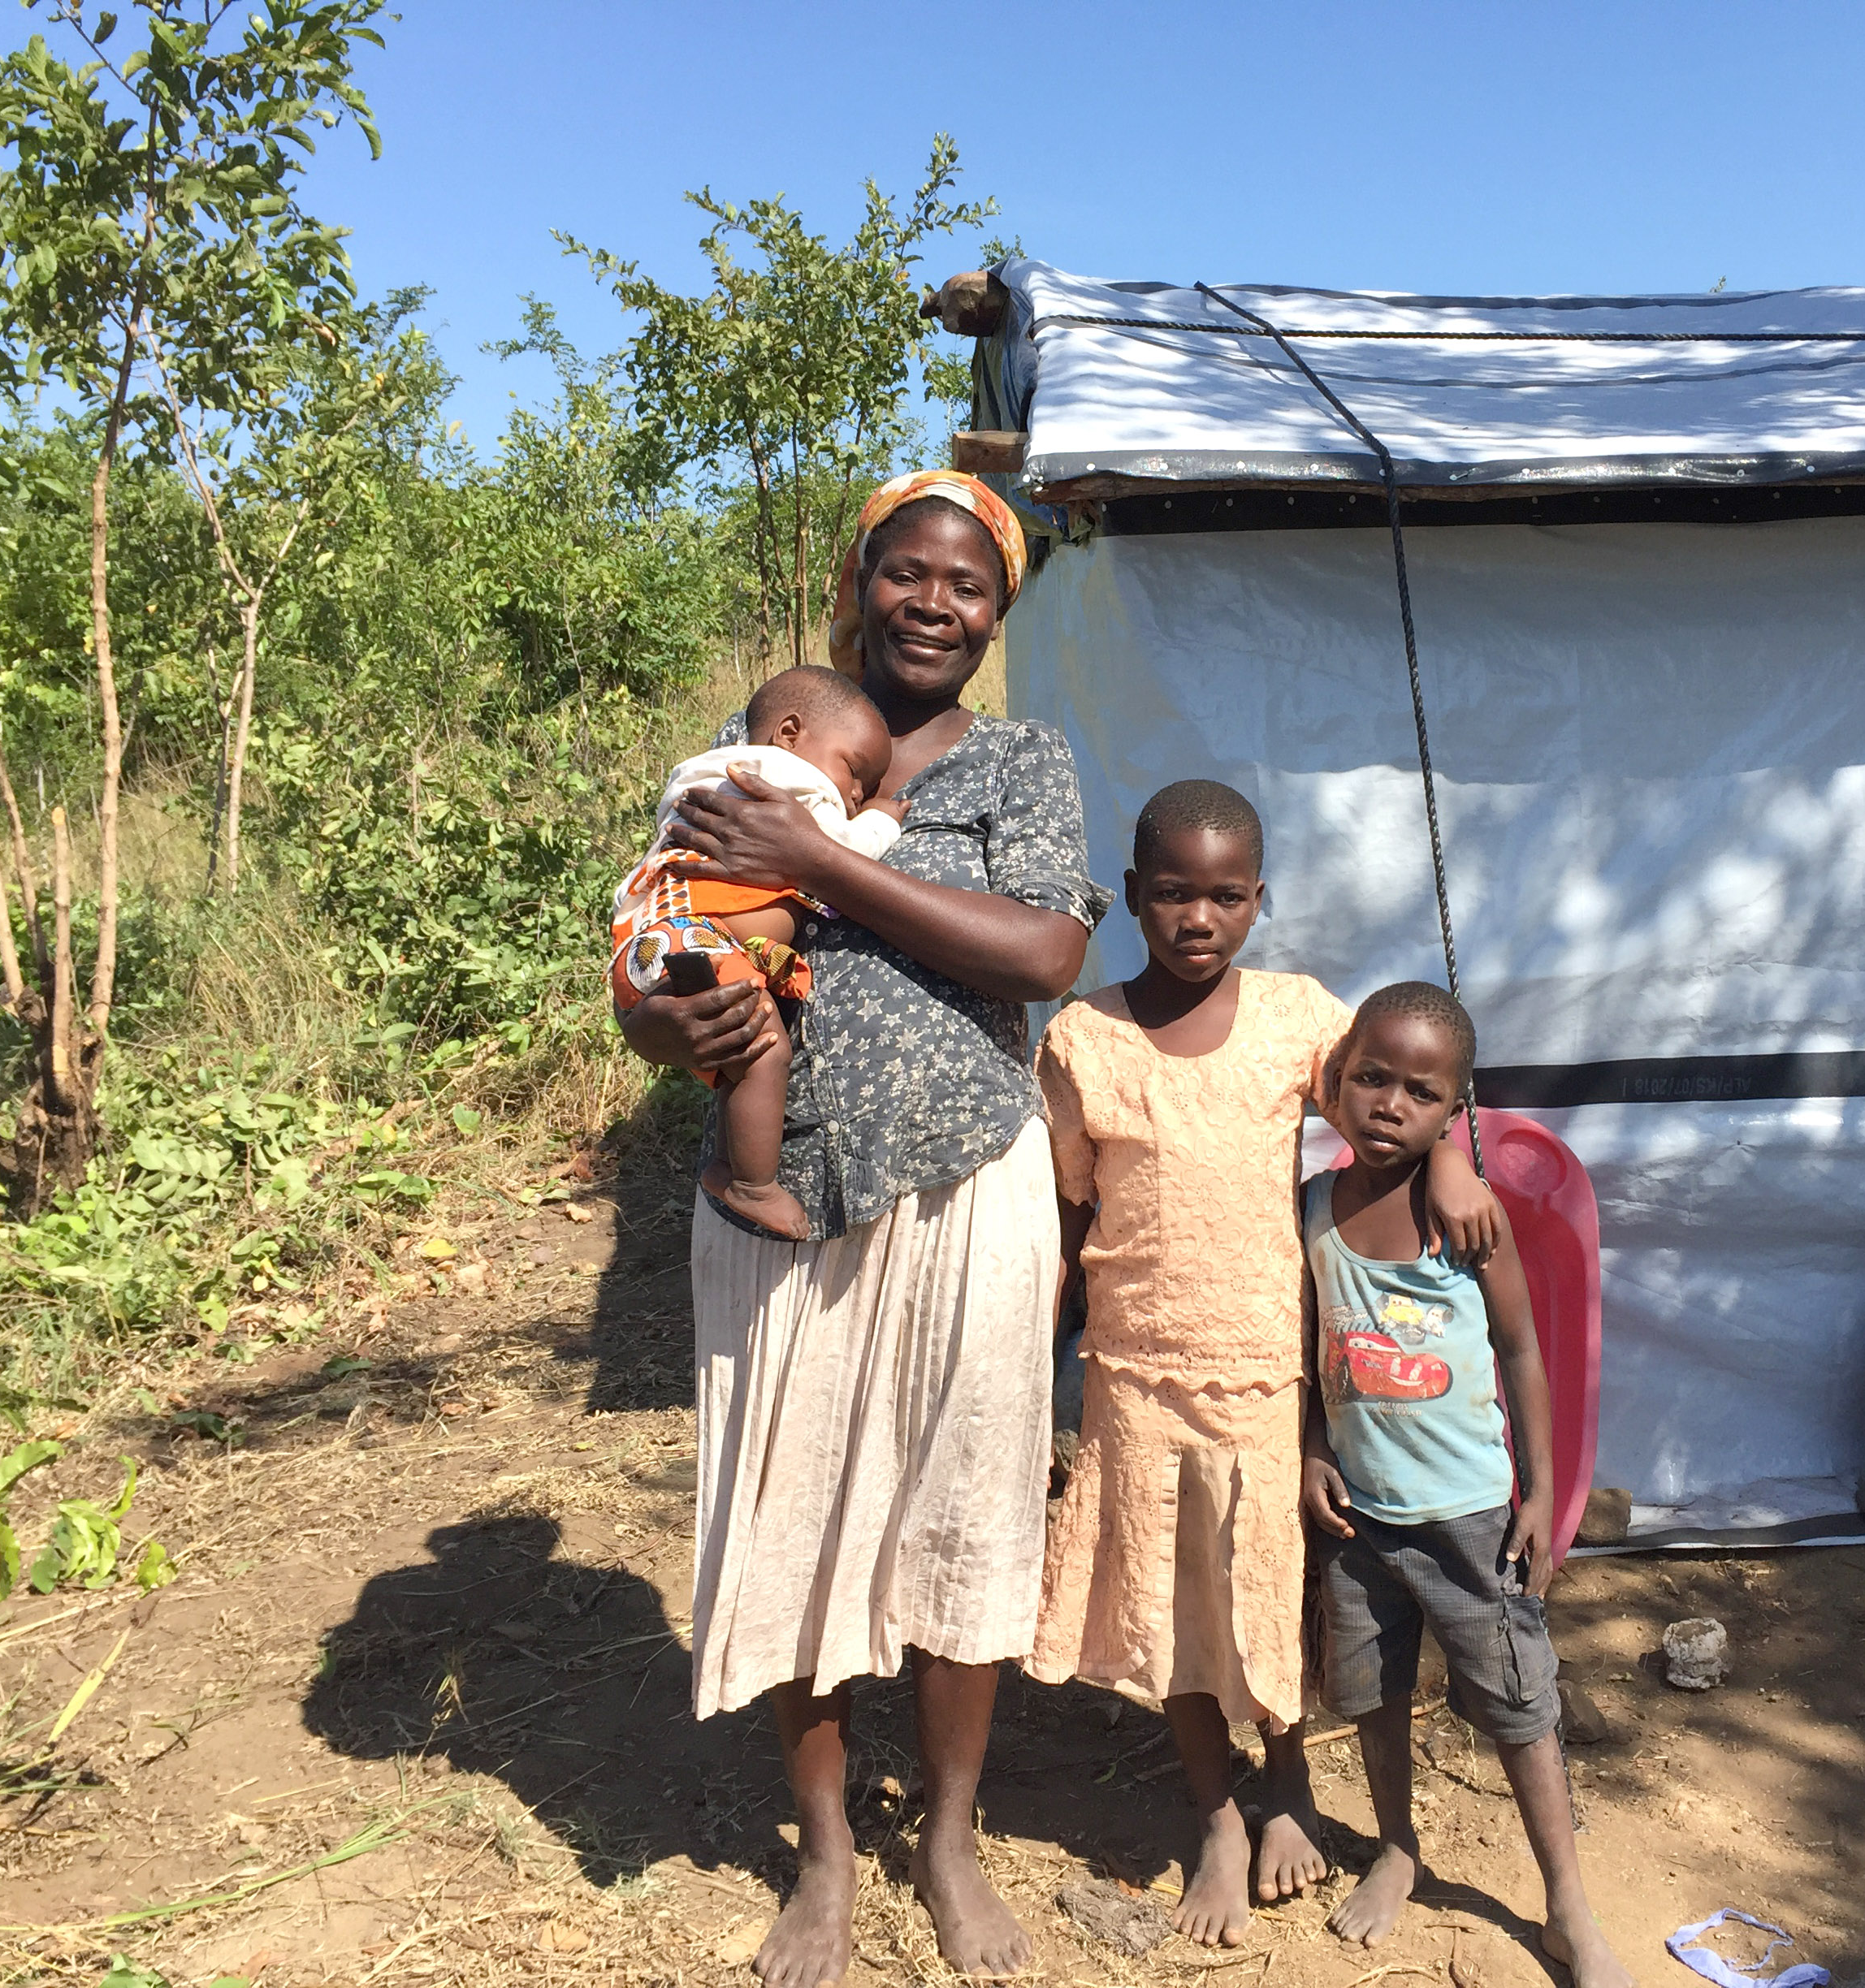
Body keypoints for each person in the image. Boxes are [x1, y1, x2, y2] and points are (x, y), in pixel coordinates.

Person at [618, 469, 1104, 1988]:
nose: (935, 601)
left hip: (972, 1180)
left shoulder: (1019, 763)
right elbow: (655, 932)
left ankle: (947, 1834)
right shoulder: (757, 749)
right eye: (908, 571)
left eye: (967, 583)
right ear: (860, 577)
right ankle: (826, 1848)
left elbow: (1043, 948)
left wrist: (822, 865)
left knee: (968, 1495)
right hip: (782, 1198)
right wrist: (667, 1020)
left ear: (995, 610)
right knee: (794, 1503)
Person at [1028, 783, 1500, 1946]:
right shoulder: (1085, 1039)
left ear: (1259, 902)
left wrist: (1451, 1167)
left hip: (1268, 1366)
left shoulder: (1297, 1018)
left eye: (1226, 895)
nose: (1200, 917)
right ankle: (1219, 1814)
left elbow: (1395, 1094)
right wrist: (1041, 1356)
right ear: (1133, 896)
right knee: (1173, 1596)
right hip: (1135, 1371)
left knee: (1261, 1588)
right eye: (1175, 893)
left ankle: (1287, 1781)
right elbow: (1064, 1215)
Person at [1302, 983, 1635, 1988]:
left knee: (1519, 1702)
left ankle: (1566, 1903)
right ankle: (1398, 1844)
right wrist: (1313, 1445)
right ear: (1336, 1081)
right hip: (1360, 1518)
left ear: (1457, 1109)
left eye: (1421, 1093)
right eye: (1371, 1079)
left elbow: (1525, 1351)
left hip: (1472, 1518)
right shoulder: (1313, 1206)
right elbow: (1307, 1349)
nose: (1390, 1106)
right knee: (1371, 1694)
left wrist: (1539, 1494)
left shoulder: (1470, 1221)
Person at [608, 664, 898, 1238]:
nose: (858, 792)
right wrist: (881, 824)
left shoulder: (707, 779)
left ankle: (726, 1164)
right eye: (856, 770)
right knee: (765, 1047)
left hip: (656, 937)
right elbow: (835, 850)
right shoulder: (781, 779)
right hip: (697, 937)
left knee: (737, 1055)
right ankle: (752, 1184)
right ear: (789, 734)